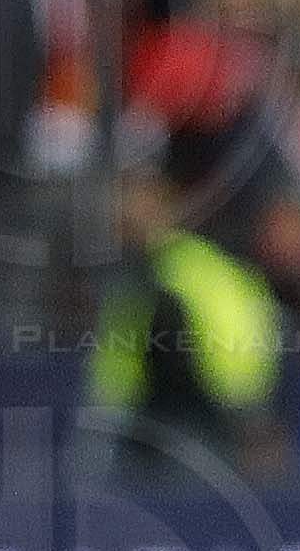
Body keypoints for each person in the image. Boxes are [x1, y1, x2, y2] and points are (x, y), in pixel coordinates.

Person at [85, 161, 283, 475]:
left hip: (206, 423)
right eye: (122, 203)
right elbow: (118, 358)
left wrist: (244, 413)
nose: (125, 213)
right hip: (145, 427)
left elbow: (238, 338)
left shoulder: (198, 268)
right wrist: (107, 415)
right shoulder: (130, 276)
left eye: (138, 203)